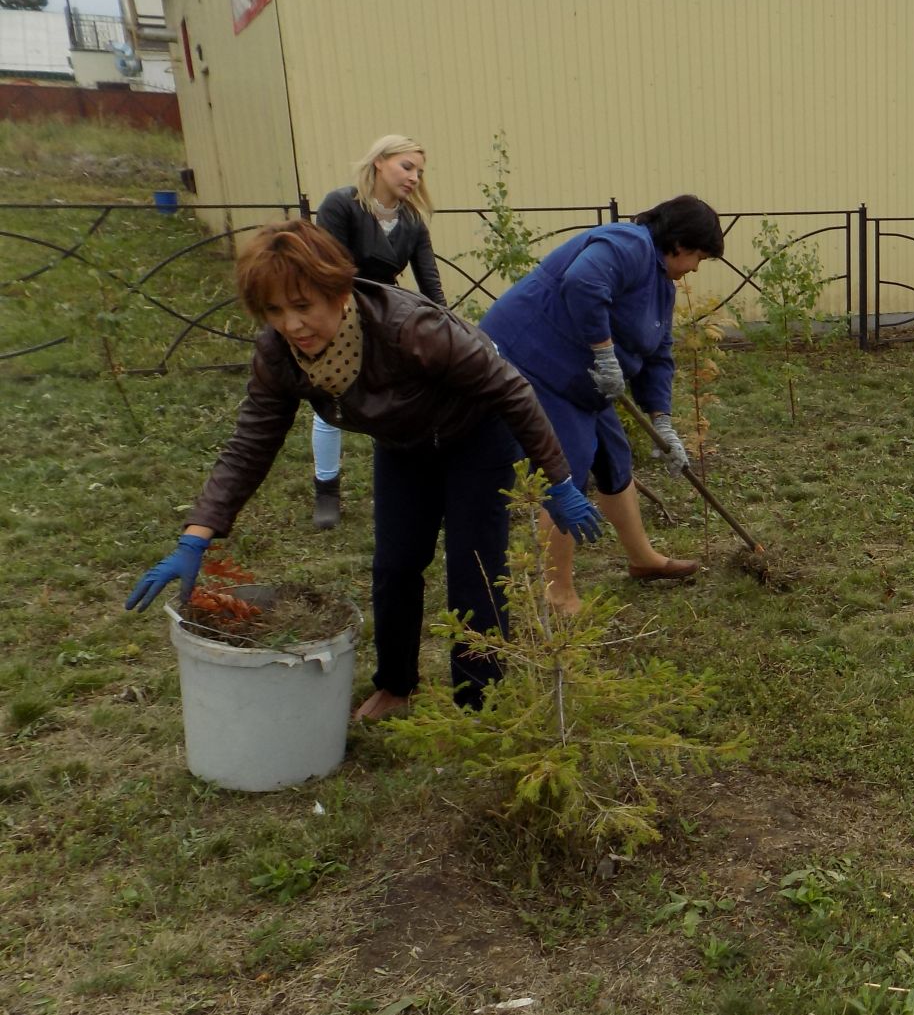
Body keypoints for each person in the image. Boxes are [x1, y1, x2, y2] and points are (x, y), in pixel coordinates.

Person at [125, 221, 603, 722]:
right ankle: (396, 685)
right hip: (403, 444)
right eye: (275, 311)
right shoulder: (278, 355)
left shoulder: (408, 327)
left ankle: (478, 701)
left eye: (303, 305)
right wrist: (195, 537)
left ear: (338, 291)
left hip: (476, 437)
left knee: (475, 570)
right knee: (395, 565)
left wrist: (560, 480)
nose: (292, 325)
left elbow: (511, 389)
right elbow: (251, 444)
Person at [482, 196, 723, 612]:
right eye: (698, 256)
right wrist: (605, 352)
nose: (695, 268)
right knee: (566, 467)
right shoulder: (627, 244)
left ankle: (642, 559)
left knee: (614, 458)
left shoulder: (661, 287)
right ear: (679, 243)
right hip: (534, 367)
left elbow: (659, 354)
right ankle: (558, 591)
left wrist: (662, 421)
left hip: (585, 383)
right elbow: (582, 283)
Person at [309, 135, 447, 530]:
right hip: (340, 312)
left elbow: (430, 280)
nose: (415, 178)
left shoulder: (413, 220)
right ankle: (327, 491)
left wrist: (447, 323)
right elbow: (332, 269)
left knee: (388, 401)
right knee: (332, 401)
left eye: (420, 171)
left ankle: (394, 487)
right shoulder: (341, 205)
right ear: (379, 163)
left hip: (389, 317)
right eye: (407, 166)